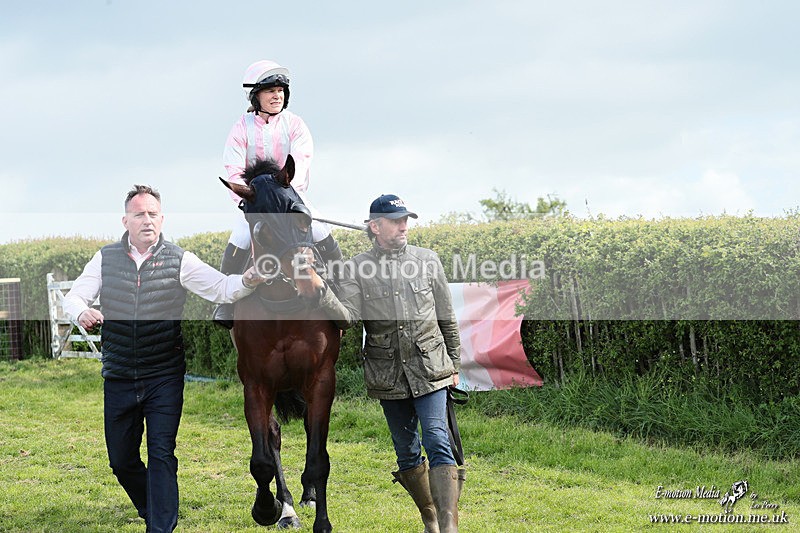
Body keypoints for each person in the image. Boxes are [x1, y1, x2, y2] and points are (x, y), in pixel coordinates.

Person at [62, 185, 266, 533]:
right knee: (121, 461)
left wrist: (248, 279)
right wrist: (81, 312)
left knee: (161, 454)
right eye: (139, 214)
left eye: (153, 214)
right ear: (125, 221)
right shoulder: (104, 259)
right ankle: (152, 508)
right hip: (119, 375)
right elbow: (73, 297)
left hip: (163, 376)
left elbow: (222, 288)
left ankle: (160, 527)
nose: (147, 220)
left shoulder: (179, 259)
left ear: (162, 219)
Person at [315, 194, 465, 532]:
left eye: (405, 220)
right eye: (396, 221)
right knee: (406, 452)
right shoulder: (355, 268)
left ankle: (448, 526)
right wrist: (320, 291)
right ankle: (430, 517)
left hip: (431, 368)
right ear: (375, 226)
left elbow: (446, 315)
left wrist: (454, 363)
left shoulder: (428, 260)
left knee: (437, 439)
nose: (403, 226)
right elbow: (348, 318)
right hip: (388, 374)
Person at [213, 58, 342, 328]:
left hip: (290, 198)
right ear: (255, 96)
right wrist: (248, 200)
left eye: (281, 91)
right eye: (270, 91)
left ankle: (340, 290)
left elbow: (301, 161)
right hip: (257, 204)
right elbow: (233, 170)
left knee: (322, 232)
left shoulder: (295, 124)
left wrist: (286, 194)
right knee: (238, 238)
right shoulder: (240, 128)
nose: (277, 96)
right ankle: (225, 303)